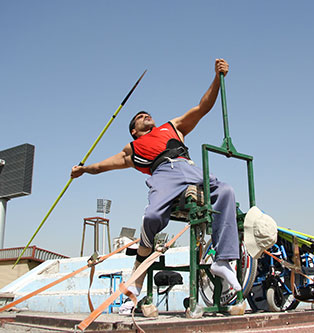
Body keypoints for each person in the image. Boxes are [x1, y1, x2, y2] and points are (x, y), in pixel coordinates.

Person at [71, 59, 242, 314]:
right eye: (140, 118)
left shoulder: (172, 126)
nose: (145, 116)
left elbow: (203, 107)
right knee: (151, 215)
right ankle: (141, 263)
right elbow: (102, 166)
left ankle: (224, 261)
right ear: (134, 131)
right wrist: (83, 170)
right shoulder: (132, 151)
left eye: (146, 114)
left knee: (226, 191)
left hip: (188, 167)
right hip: (163, 175)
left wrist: (217, 78)